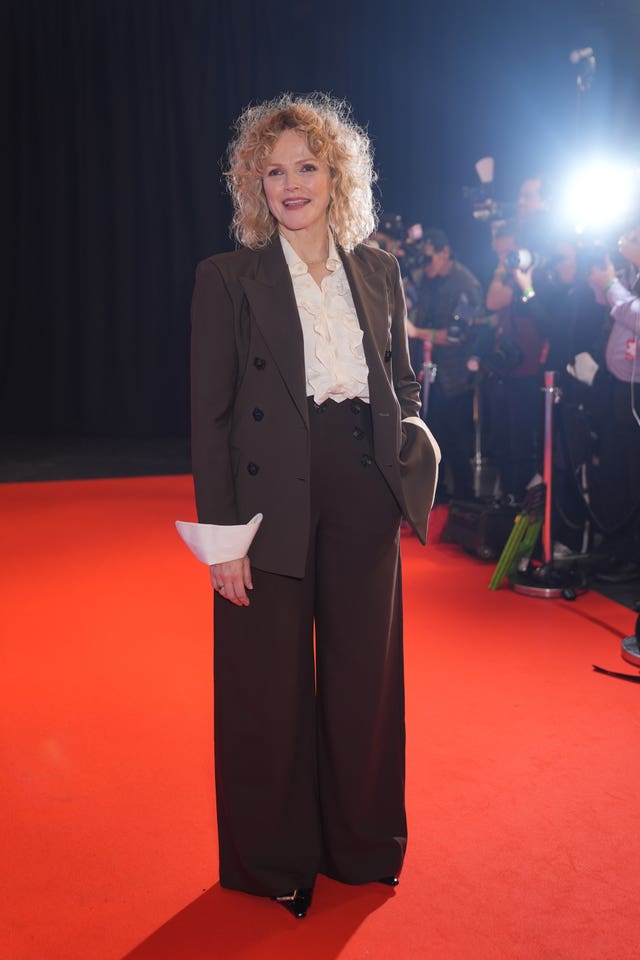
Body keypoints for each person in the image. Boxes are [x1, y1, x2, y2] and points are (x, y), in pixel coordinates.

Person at [186, 94, 440, 920]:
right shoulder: (226, 278)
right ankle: (273, 860)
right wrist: (223, 541)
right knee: (268, 685)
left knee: (365, 675)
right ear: (254, 185)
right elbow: (213, 418)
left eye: (307, 165)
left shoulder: (381, 268)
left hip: (362, 481)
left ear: (337, 175)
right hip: (268, 499)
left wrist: (405, 451)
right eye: (274, 169)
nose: (291, 183)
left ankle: (362, 846)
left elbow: (400, 378)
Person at [405, 228, 484, 501]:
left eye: (429, 259)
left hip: (457, 375)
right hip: (427, 374)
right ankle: (435, 497)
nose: (425, 266)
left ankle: (465, 500)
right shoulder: (424, 280)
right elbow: (404, 298)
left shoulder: (466, 284)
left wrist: (417, 332)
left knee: (458, 440)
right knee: (430, 439)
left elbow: (458, 334)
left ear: (445, 253)